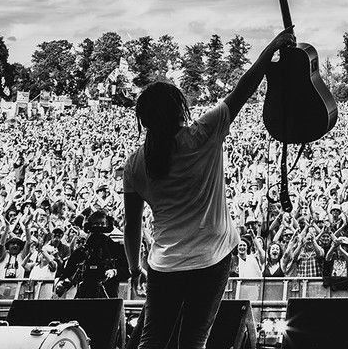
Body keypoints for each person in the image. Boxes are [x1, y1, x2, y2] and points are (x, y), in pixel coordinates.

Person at [123, 29, 294, 349]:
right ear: (179, 110)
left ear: (143, 120)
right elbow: (243, 88)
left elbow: (131, 226)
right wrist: (272, 47)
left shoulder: (134, 165)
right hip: (211, 259)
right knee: (194, 341)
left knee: (153, 340)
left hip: (164, 264)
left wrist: (134, 268)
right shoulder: (204, 133)